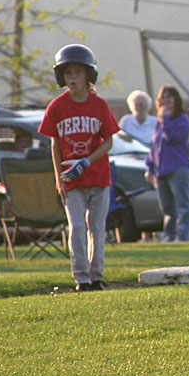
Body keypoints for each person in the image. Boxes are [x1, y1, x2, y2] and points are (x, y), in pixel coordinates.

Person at [38, 44, 119, 292]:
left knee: (97, 228)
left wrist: (87, 160)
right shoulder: (57, 107)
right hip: (71, 180)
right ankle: (81, 278)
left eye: (77, 72)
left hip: (98, 177)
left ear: (88, 75)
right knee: (77, 228)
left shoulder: (99, 105)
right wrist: (58, 179)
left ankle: (97, 276)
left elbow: (109, 141)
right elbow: (55, 144)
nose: (72, 78)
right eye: (67, 73)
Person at [145, 86, 189, 242]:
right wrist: (149, 167)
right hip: (161, 169)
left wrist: (165, 118)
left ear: (176, 100)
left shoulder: (182, 120)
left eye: (169, 97)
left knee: (182, 205)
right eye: (162, 98)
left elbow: (171, 138)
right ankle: (169, 236)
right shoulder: (159, 123)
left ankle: (183, 237)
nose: (165, 101)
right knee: (167, 207)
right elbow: (154, 146)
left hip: (177, 167)